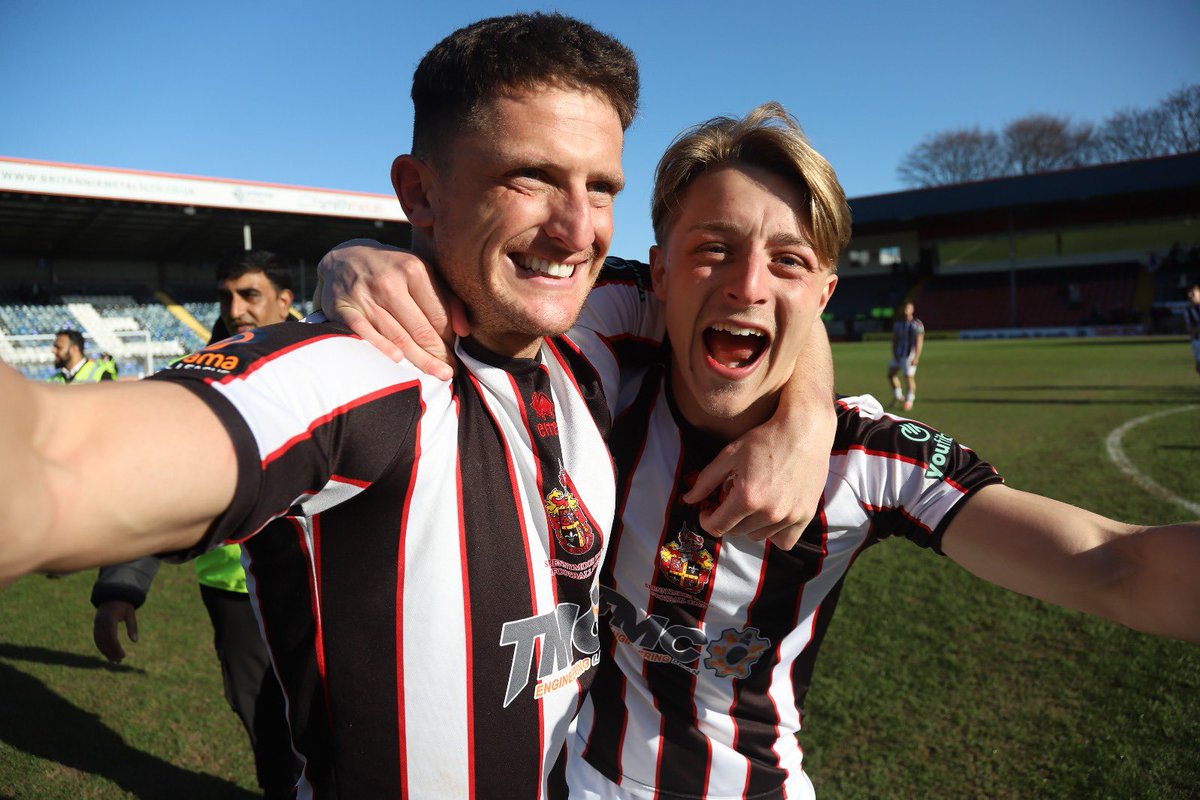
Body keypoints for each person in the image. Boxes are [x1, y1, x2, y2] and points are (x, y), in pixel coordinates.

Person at [0, 15, 835, 799]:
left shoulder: (600, 323)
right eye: (531, 178)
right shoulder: (360, 370)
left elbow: (757, 299)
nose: (578, 229)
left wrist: (809, 418)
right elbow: (63, 460)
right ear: (420, 192)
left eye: (601, 187)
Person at [316, 103, 1199, 800]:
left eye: (787, 261)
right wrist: (358, 256)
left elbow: (1112, 564)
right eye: (713, 250)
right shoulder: (614, 348)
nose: (746, 284)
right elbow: (499, 272)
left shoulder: (871, 459)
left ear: (824, 292)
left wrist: (809, 417)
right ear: (658, 274)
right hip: (574, 777)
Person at [90, 250, 299, 799]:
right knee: (259, 714)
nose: (235, 310)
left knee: (342, 719)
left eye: (249, 295)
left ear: (285, 300)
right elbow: (156, 479)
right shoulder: (197, 375)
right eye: (227, 297)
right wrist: (120, 586)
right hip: (231, 589)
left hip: (327, 583)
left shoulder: (336, 360)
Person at [887, 300, 923, 410]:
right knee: (891, 374)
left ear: (912, 310)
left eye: (907, 308)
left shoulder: (917, 324)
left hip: (909, 355)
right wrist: (894, 353)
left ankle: (909, 400)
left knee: (908, 377)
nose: (905, 310)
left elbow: (919, 341)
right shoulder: (898, 324)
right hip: (899, 354)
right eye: (904, 308)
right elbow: (895, 340)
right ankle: (898, 395)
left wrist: (916, 357)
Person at [48, 328, 115, 383]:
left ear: (74, 349)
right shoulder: (53, 379)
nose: (53, 351)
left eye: (59, 347)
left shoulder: (102, 375)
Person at [1185, 282, 1200, 379]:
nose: (1190, 296)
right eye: (1189, 294)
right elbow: (1190, 329)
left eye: (1193, 293)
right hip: (1196, 342)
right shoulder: (1188, 310)